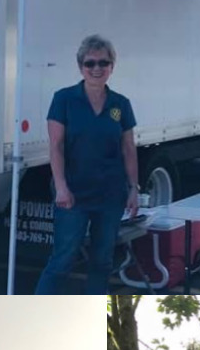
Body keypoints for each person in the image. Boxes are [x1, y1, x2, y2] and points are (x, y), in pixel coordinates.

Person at [38, 34, 138, 293]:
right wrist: (61, 186)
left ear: (112, 66)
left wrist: (133, 188)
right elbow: (56, 146)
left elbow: (128, 149)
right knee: (63, 259)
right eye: (90, 63)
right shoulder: (64, 99)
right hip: (73, 193)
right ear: (80, 66)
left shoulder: (121, 104)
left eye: (103, 63)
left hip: (110, 194)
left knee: (102, 261)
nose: (96, 69)